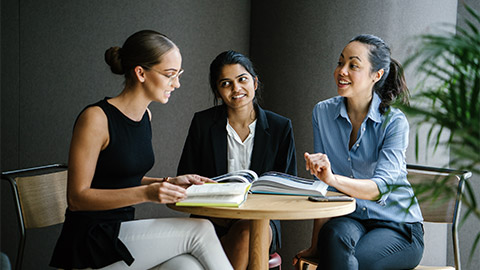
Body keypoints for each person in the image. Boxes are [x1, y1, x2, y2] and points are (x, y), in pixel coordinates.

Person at [49, 30, 232, 270]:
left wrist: (169, 182)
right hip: (90, 243)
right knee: (201, 229)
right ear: (140, 73)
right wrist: (148, 193)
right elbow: (76, 198)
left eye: (179, 74)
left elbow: (119, 177)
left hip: (119, 231)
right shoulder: (96, 118)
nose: (176, 84)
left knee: (187, 267)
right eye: (170, 75)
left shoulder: (145, 116)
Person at [293, 34, 424, 270]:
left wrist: (332, 178)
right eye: (340, 62)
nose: (342, 70)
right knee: (331, 238)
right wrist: (314, 246)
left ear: (377, 75)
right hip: (350, 218)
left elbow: (378, 189)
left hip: (397, 225)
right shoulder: (322, 113)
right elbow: (324, 187)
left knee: (356, 264)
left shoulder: (394, 122)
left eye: (353, 65)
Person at [177, 50, 297, 269]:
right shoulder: (202, 124)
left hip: (262, 220)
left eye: (242, 79)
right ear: (218, 90)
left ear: (255, 82)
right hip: (212, 218)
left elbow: (288, 187)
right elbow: (185, 178)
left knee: (246, 232)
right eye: (226, 83)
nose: (236, 89)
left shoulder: (281, 127)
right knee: (241, 236)